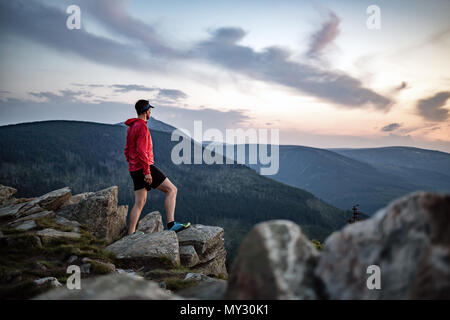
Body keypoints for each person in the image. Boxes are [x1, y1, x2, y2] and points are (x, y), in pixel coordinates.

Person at [124, 99, 190, 235]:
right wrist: (147, 172)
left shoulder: (132, 127)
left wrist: (132, 163)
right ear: (146, 111)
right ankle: (171, 224)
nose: (150, 112)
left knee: (139, 202)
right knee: (172, 190)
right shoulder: (142, 127)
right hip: (144, 167)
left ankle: (130, 234)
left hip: (134, 168)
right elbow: (142, 151)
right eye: (150, 110)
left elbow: (127, 149)